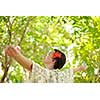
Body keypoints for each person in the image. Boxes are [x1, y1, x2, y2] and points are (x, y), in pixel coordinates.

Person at [5, 46, 87, 83]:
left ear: (53, 60)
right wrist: (80, 68)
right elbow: (71, 71)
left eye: (49, 54)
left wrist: (16, 55)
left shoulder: (51, 74)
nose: (46, 55)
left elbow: (32, 67)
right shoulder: (63, 75)